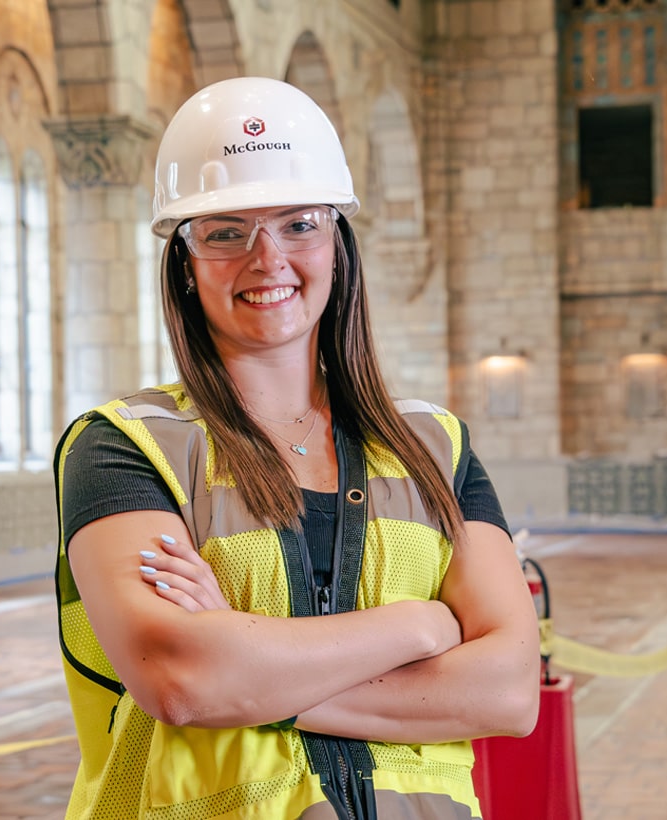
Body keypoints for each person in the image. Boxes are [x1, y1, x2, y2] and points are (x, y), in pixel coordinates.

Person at [54, 76, 540, 820]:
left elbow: (508, 690)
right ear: (185, 262)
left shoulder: (432, 447)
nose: (267, 257)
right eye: (225, 231)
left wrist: (249, 665)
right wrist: (421, 627)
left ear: (338, 247)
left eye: (298, 223)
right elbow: (184, 681)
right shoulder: (125, 447)